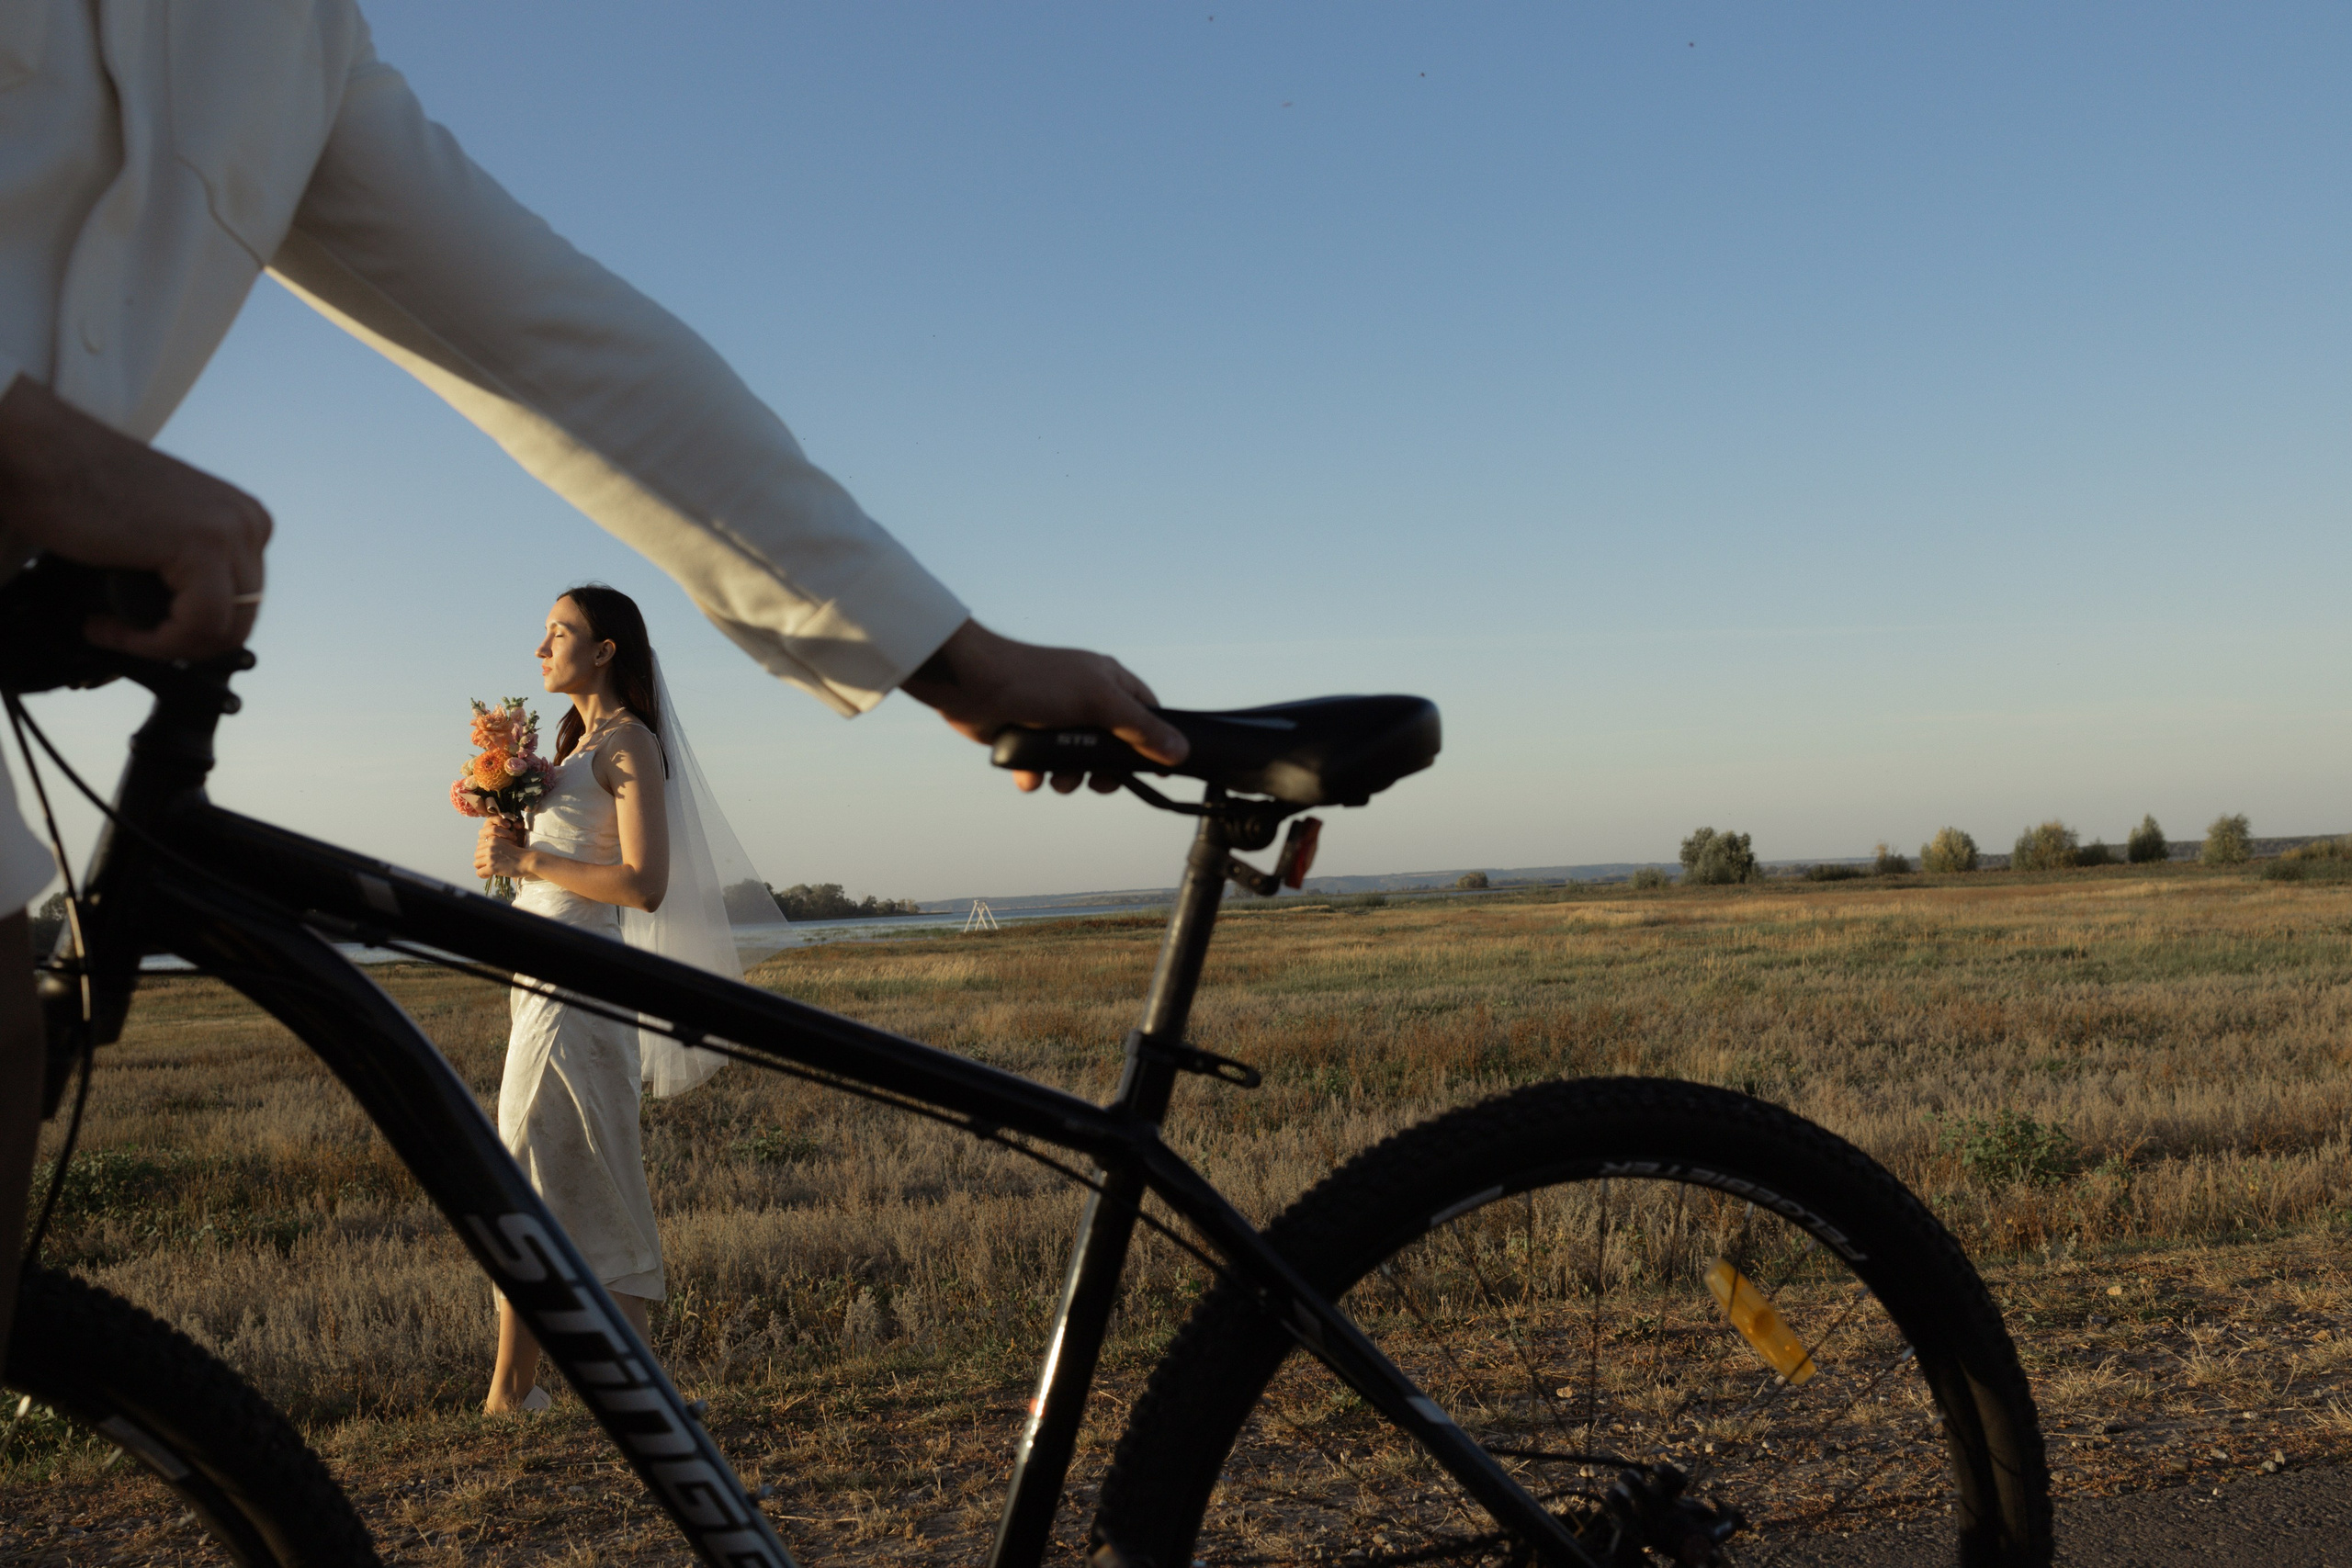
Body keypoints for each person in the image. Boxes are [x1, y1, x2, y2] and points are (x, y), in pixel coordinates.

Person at [0, 0, 1182, 1362]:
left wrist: (947, 653)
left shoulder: (287, 42)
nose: (545, 645)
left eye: (563, 630)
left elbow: (570, 347)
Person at [472, 586, 746, 1414]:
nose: (541, 646)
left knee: (535, 1170)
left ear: (606, 651)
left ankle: (516, 1394)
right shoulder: (573, 748)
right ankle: (618, 1391)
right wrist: (506, 836)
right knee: (556, 1173)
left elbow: (644, 884)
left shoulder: (629, 748)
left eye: (558, 632)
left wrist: (527, 866)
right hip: (541, 984)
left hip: (579, 991)